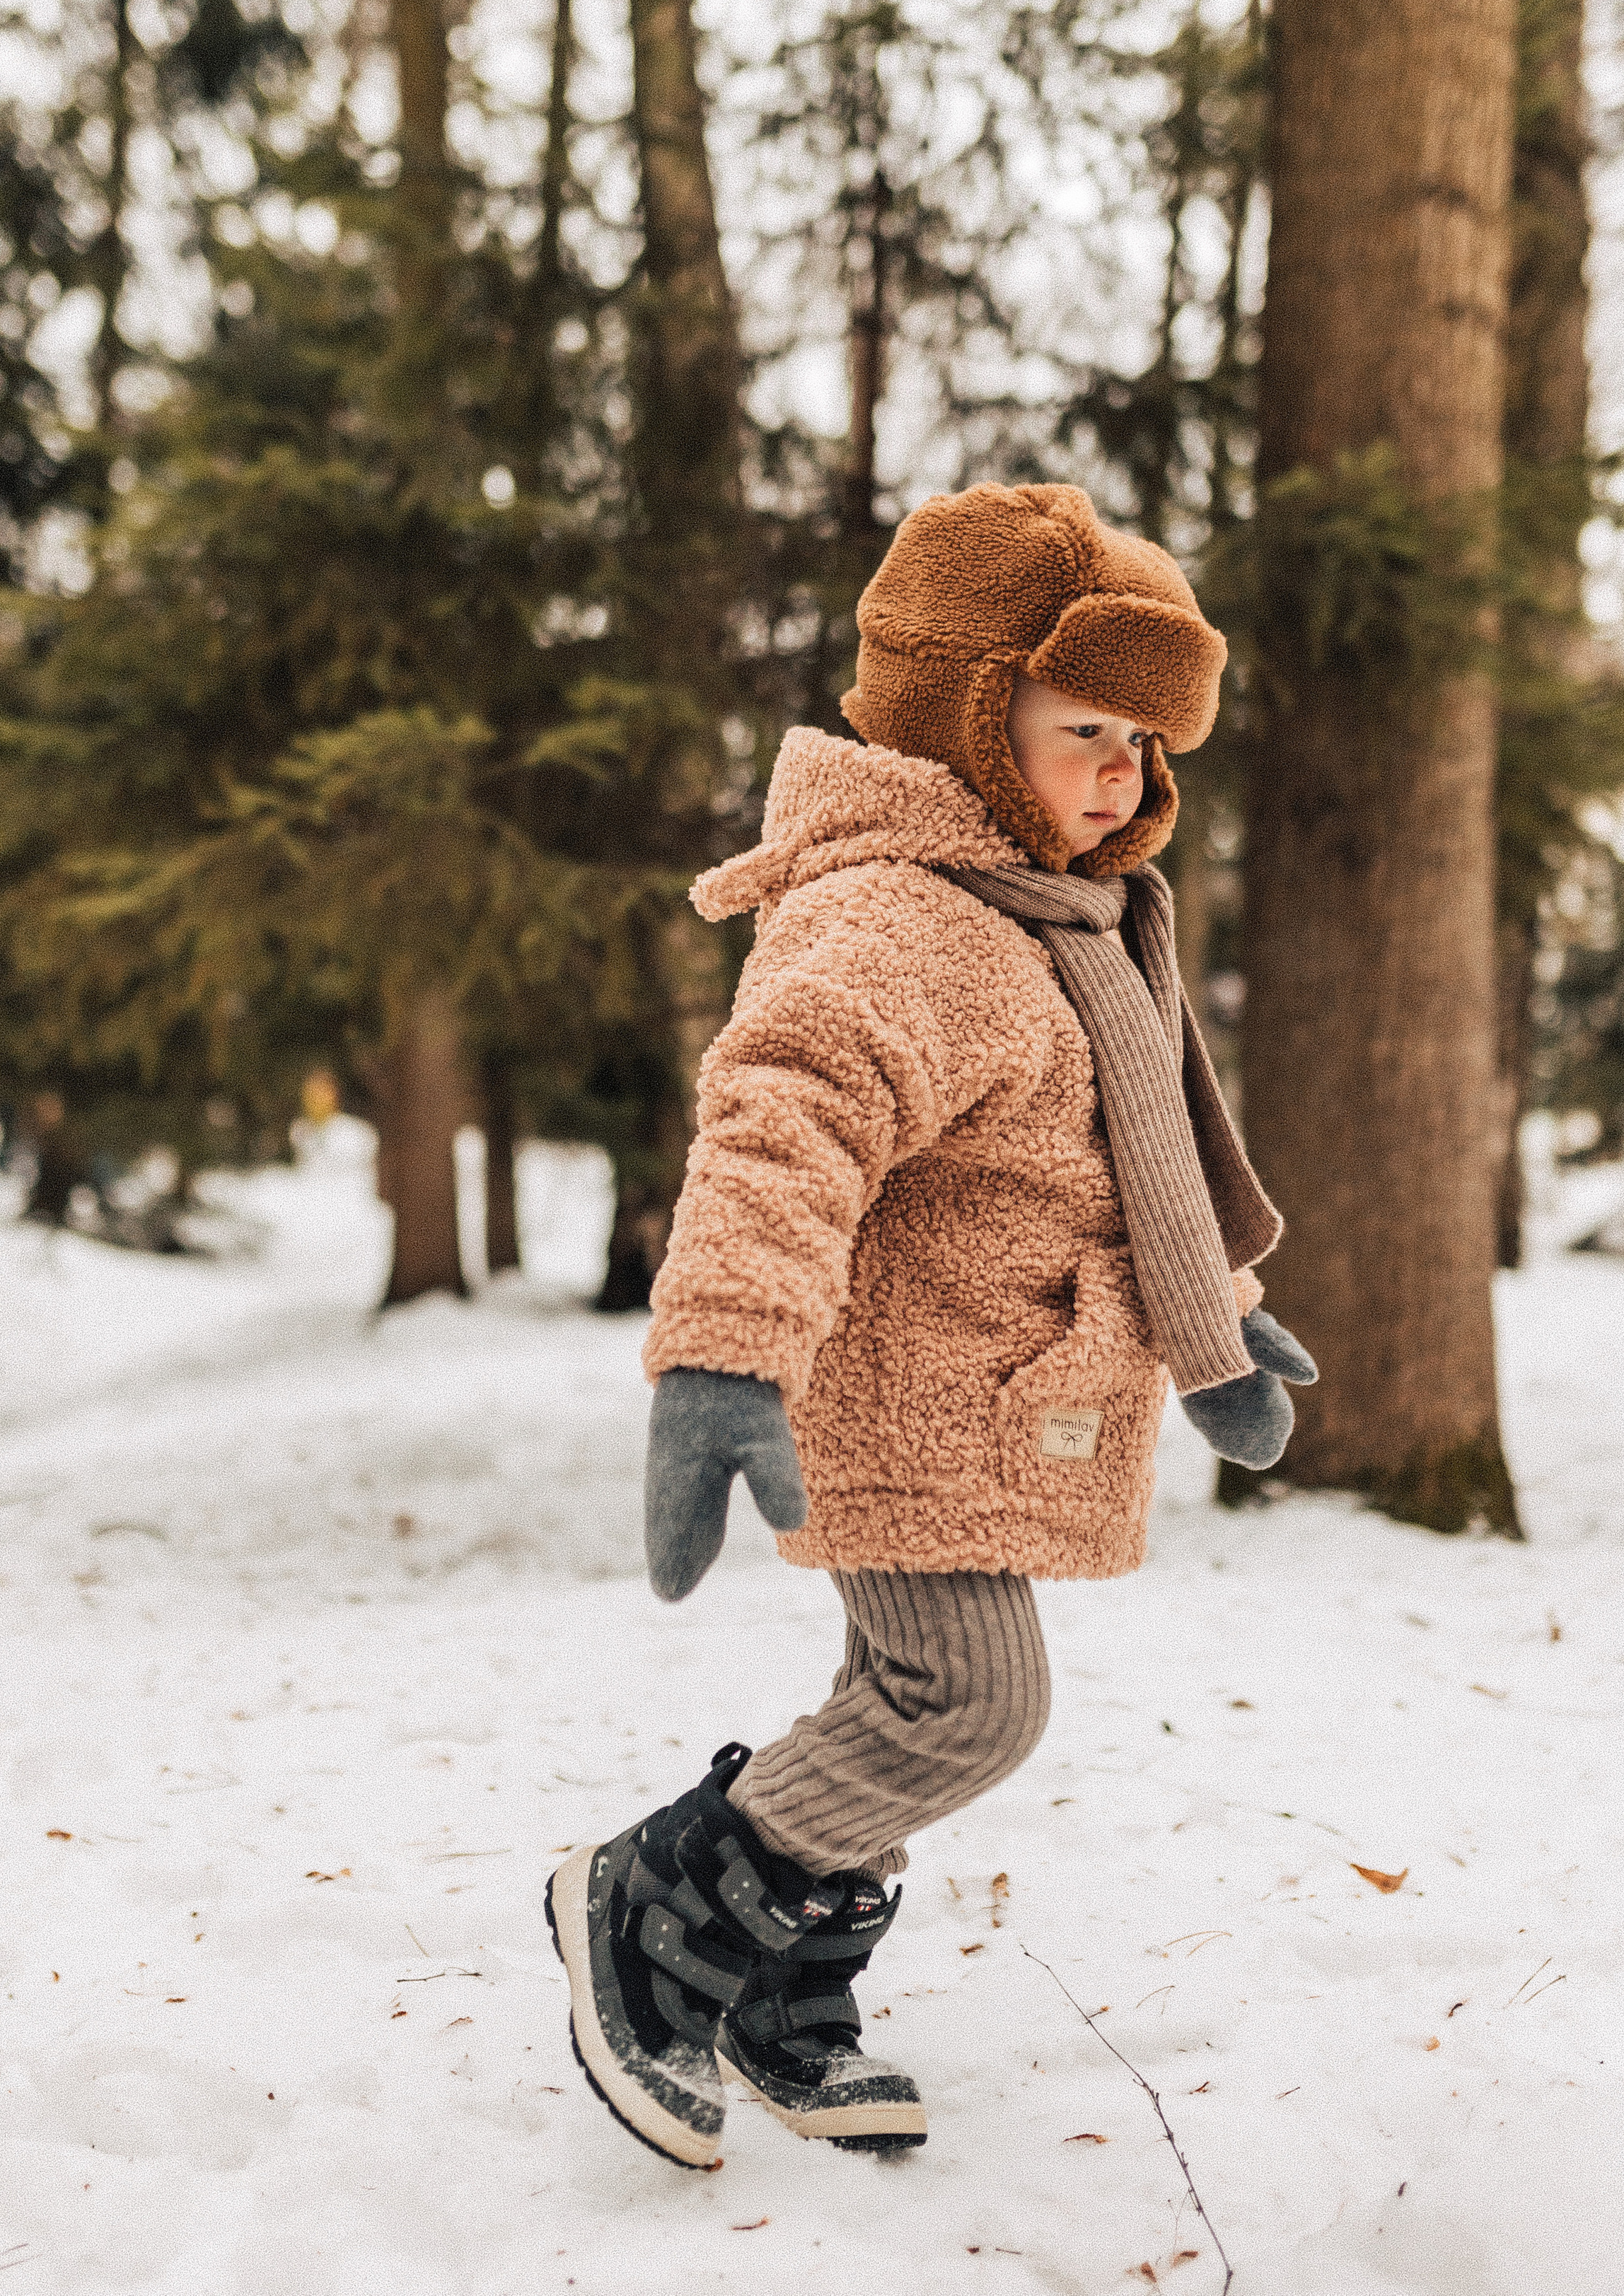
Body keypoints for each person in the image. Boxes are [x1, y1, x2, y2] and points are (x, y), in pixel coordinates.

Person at [545, 482, 1316, 2167]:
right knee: (964, 1706)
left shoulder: (1061, 920)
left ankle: (774, 1985)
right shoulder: (900, 916)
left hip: (991, 1395)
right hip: (893, 1389)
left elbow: (1132, 1166)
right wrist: (724, 1349)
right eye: (1080, 727)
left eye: (1143, 740)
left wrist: (1220, 1327)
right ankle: (654, 1903)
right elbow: (779, 1121)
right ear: (969, 717)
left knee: (888, 1691)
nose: (1122, 772)